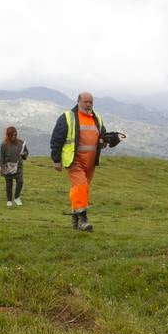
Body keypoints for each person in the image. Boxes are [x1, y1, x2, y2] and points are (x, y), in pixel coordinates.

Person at [50, 91, 118, 232]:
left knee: (80, 189)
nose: (88, 104)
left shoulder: (97, 118)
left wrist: (107, 140)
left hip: (91, 162)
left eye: (90, 102)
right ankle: (83, 220)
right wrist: (56, 159)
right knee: (81, 186)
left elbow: (102, 135)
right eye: (85, 101)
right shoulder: (68, 117)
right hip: (74, 160)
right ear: (78, 101)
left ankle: (74, 221)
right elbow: (56, 139)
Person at [0, 126, 29, 206]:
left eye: (15, 135)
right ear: (8, 135)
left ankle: (17, 197)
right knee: (9, 183)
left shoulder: (21, 143)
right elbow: (1, 156)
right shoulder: (4, 145)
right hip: (7, 166)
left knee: (20, 181)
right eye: (12, 135)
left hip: (18, 165)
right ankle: (9, 200)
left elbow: (26, 153)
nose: (14, 137)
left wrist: (24, 155)